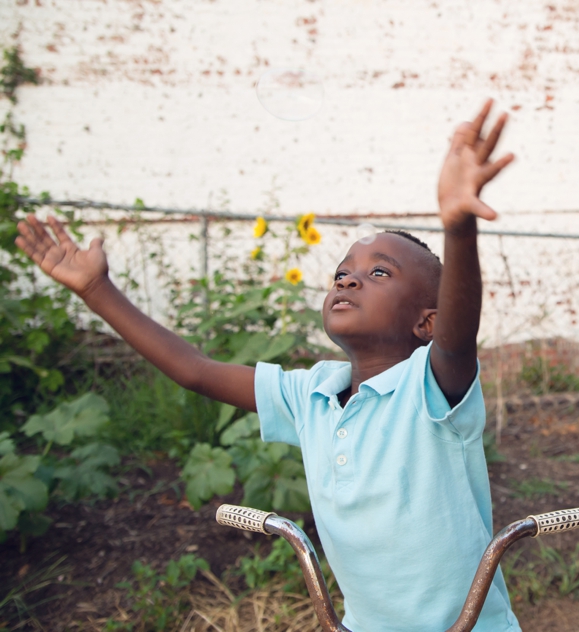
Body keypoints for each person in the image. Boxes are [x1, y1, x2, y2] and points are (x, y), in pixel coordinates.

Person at [15, 100, 519, 631]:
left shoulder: (433, 389)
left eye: (378, 273)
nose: (347, 280)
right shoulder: (312, 394)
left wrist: (458, 227)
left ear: (426, 322)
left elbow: (460, 336)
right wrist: (98, 291)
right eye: (342, 272)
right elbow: (195, 370)